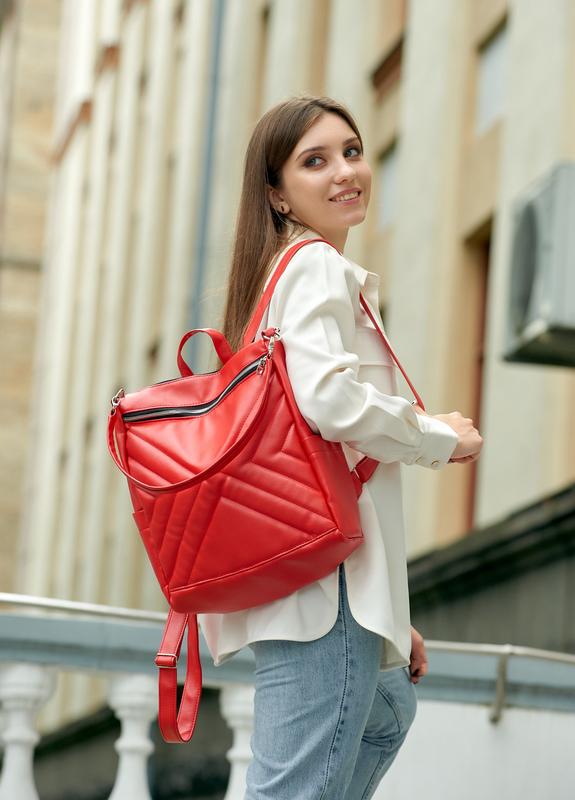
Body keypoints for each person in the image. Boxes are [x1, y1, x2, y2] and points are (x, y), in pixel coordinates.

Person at [197, 95, 483, 800]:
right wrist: (436, 437)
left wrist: (386, 619)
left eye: (351, 152)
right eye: (314, 161)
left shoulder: (280, 276)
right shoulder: (314, 265)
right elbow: (330, 402)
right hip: (328, 589)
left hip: (327, 587)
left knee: (388, 711)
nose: (345, 172)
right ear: (277, 194)